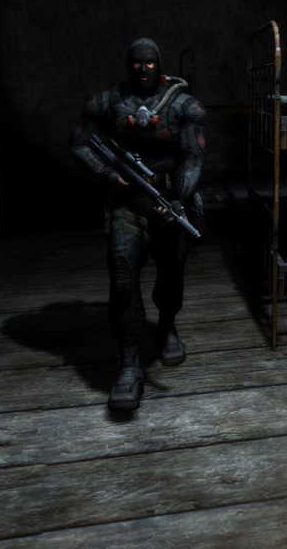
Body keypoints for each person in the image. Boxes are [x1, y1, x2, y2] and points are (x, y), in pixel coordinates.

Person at [69, 38, 206, 410]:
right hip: (128, 203)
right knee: (123, 277)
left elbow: (193, 158)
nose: (142, 69)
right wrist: (109, 174)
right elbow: (80, 143)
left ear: (159, 66)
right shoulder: (106, 103)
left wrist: (179, 199)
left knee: (172, 273)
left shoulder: (184, 106)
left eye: (149, 62)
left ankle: (166, 326)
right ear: (128, 64)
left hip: (167, 201)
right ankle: (129, 363)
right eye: (136, 62)